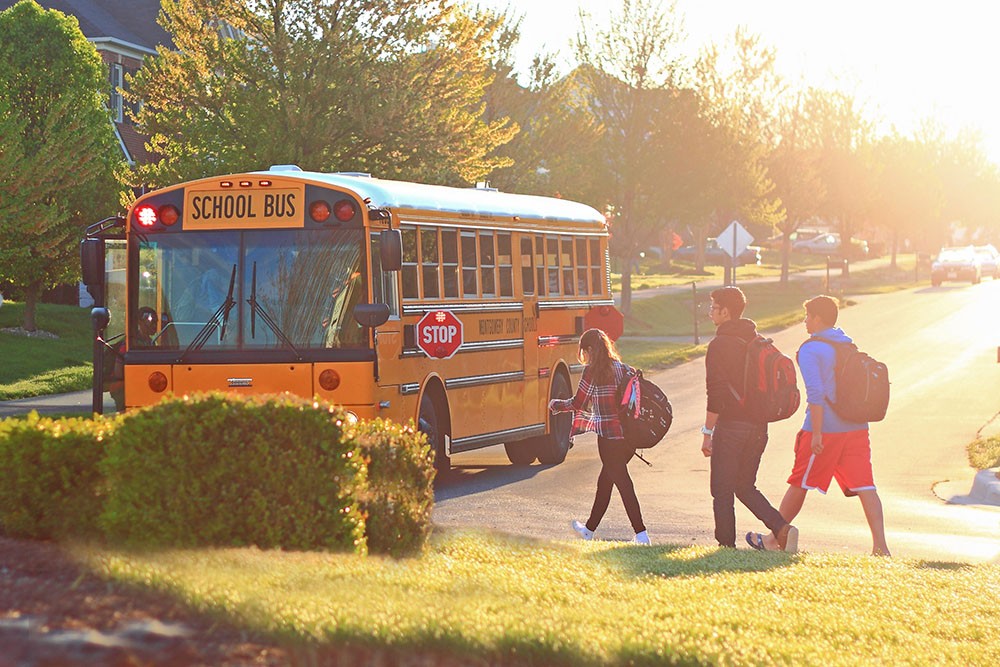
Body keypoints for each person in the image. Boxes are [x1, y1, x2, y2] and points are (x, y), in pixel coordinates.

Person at [755, 295, 890, 556]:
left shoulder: (811, 349)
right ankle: (881, 547)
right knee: (865, 485)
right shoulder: (845, 343)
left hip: (825, 429)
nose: (805, 321)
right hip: (857, 426)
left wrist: (816, 433)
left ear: (817, 318)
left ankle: (773, 539)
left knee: (799, 482)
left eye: (807, 316)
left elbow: (815, 393)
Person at [702, 286, 798, 552]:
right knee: (744, 485)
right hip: (759, 428)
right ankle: (782, 529)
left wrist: (707, 431)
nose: (710, 313)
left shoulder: (719, 345)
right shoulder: (756, 340)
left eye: (713, 308)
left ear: (726, 312)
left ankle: (726, 546)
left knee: (722, 489)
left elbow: (716, 393)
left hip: (731, 427)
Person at [549, 328, 650, 545]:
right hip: (629, 439)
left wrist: (556, 405)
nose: (584, 356)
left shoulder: (592, 372)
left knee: (623, 483)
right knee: (605, 482)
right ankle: (589, 530)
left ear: (591, 350)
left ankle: (641, 534)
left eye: (584, 351)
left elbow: (578, 403)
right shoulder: (623, 368)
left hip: (609, 438)